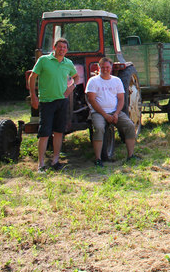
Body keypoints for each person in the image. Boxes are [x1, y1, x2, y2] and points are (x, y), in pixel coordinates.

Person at [29, 38, 79, 172]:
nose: (62, 49)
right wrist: (33, 96)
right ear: (54, 47)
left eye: (64, 47)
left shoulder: (68, 63)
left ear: (67, 50)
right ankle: (41, 164)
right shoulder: (44, 60)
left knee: (59, 131)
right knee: (44, 133)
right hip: (46, 102)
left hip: (62, 102)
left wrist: (71, 88)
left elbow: (76, 77)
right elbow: (32, 77)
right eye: (60, 47)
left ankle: (55, 161)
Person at [85, 57, 139, 166]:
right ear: (99, 68)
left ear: (111, 68)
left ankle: (130, 155)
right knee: (99, 128)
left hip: (115, 112)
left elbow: (121, 99)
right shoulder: (93, 81)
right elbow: (91, 100)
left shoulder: (116, 81)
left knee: (129, 125)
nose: (105, 69)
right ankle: (98, 159)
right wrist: (105, 115)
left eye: (108, 67)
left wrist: (116, 113)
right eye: (103, 67)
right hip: (98, 113)